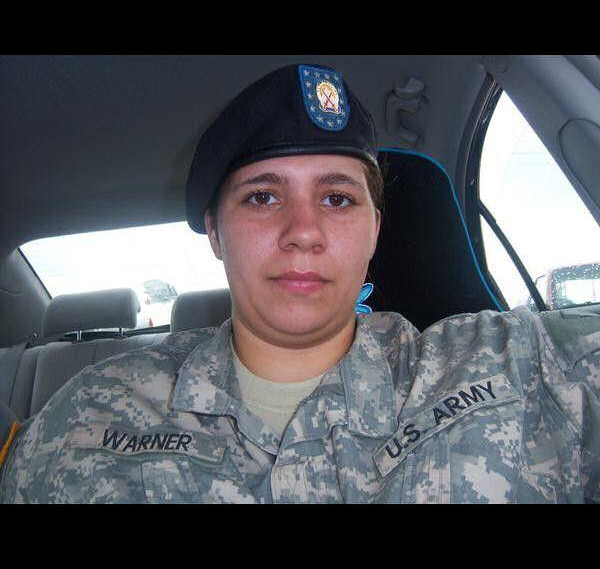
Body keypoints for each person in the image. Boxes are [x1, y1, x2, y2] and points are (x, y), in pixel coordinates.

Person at [1, 63, 598, 503]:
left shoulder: (520, 368)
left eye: (337, 198)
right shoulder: (82, 419)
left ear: (374, 230)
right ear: (215, 233)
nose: (304, 232)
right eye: (262, 197)